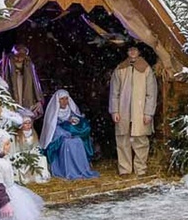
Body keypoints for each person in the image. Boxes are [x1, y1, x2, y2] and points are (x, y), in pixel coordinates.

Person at [109, 42, 158, 176]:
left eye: (135, 50)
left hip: (139, 112)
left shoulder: (146, 69)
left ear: (139, 52)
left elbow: (151, 93)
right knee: (123, 139)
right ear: (127, 52)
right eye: (130, 50)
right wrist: (115, 110)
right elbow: (114, 93)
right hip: (123, 111)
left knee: (140, 140)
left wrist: (148, 113)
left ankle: (140, 169)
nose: (132, 52)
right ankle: (124, 169)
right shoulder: (120, 69)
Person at [40, 90, 99, 180]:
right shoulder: (53, 113)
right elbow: (52, 129)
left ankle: (80, 170)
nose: (64, 101)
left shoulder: (71, 111)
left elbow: (78, 121)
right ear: (58, 101)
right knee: (68, 144)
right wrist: (65, 133)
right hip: (61, 138)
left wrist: (75, 124)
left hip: (73, 135)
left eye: (66, 99)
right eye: (62, 99)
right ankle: (67, 170)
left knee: (78, 141)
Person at [0, 44, 44, 118]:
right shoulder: (5, 63)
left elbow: (35, 82)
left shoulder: (28, 64)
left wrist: (39, 99)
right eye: (17, 57)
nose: (19, 60)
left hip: (25, 93)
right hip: (11, 91)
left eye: (22, 57)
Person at [14, 116, 51, 184]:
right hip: (22, 154)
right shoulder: (18, 136)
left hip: (32, 153)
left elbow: (36, 146)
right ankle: (27, 178)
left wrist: (34, 151)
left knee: (42, 158)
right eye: (25, 123)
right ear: (22, 125)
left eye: (29, 123)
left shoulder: (34, 134)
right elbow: (16, 149)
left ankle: (41, 176)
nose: (28, 125)